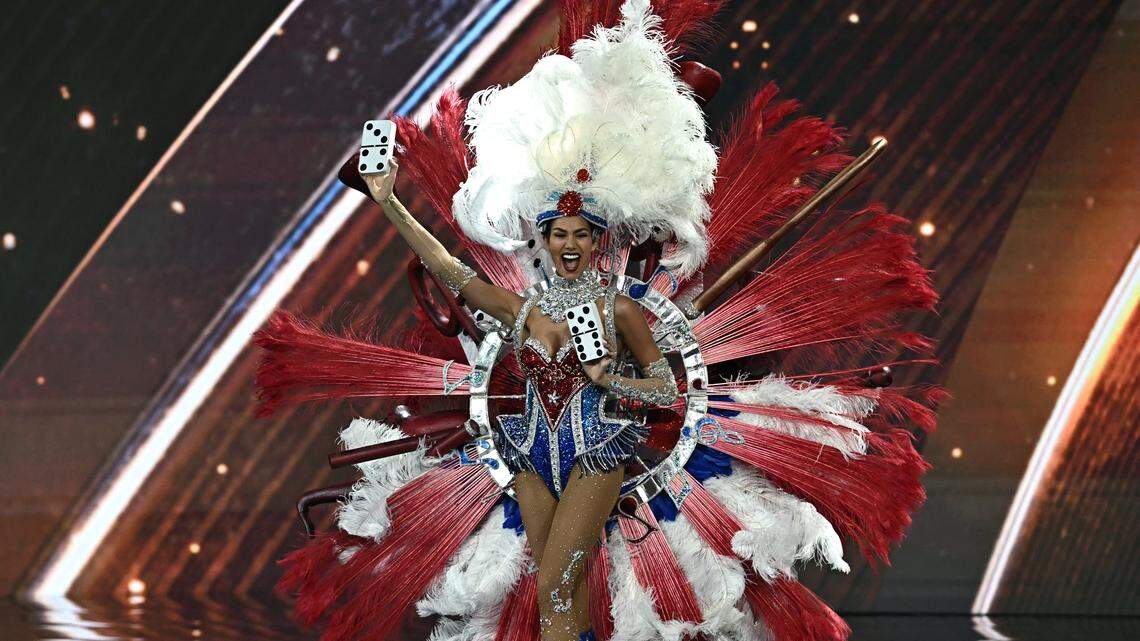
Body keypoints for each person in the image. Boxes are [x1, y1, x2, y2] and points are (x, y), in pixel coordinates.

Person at [259, 2, 943, 640]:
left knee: (559, 579)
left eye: (579, 235)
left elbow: (665, 391)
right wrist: (387, 200)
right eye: (557, 234)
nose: (567, 244)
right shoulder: (519, 309)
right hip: (527, 453)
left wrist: (609, 377)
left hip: (597, 453)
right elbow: (445, 264)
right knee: (555, 591)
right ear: (544, 239)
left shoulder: (621, 309)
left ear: (596, 241)